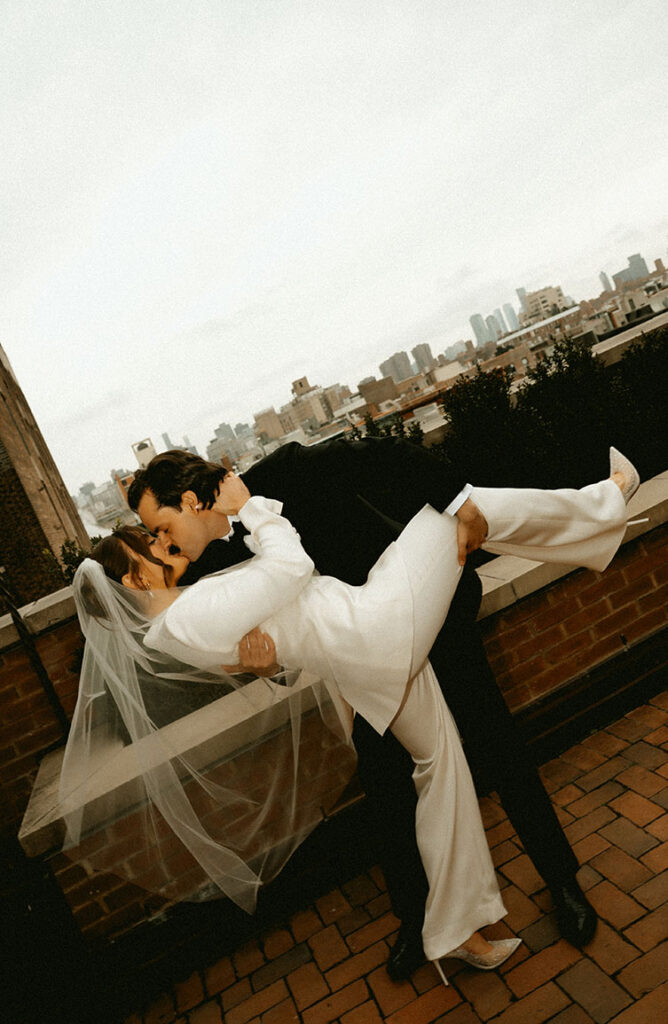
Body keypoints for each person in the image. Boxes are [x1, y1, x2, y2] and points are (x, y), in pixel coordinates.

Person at [127, 439, 637, 974]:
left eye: (159, 525)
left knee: (494, 742)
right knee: (387, 788)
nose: (162, 540)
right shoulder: (215, 562)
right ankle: (419, 925)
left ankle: (562, 882)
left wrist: (462, 504)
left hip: (426, 611)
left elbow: (389, 457)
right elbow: (273, 631)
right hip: (362, 661)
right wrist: (264, 666)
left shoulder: (284, 471)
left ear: (188, 500)